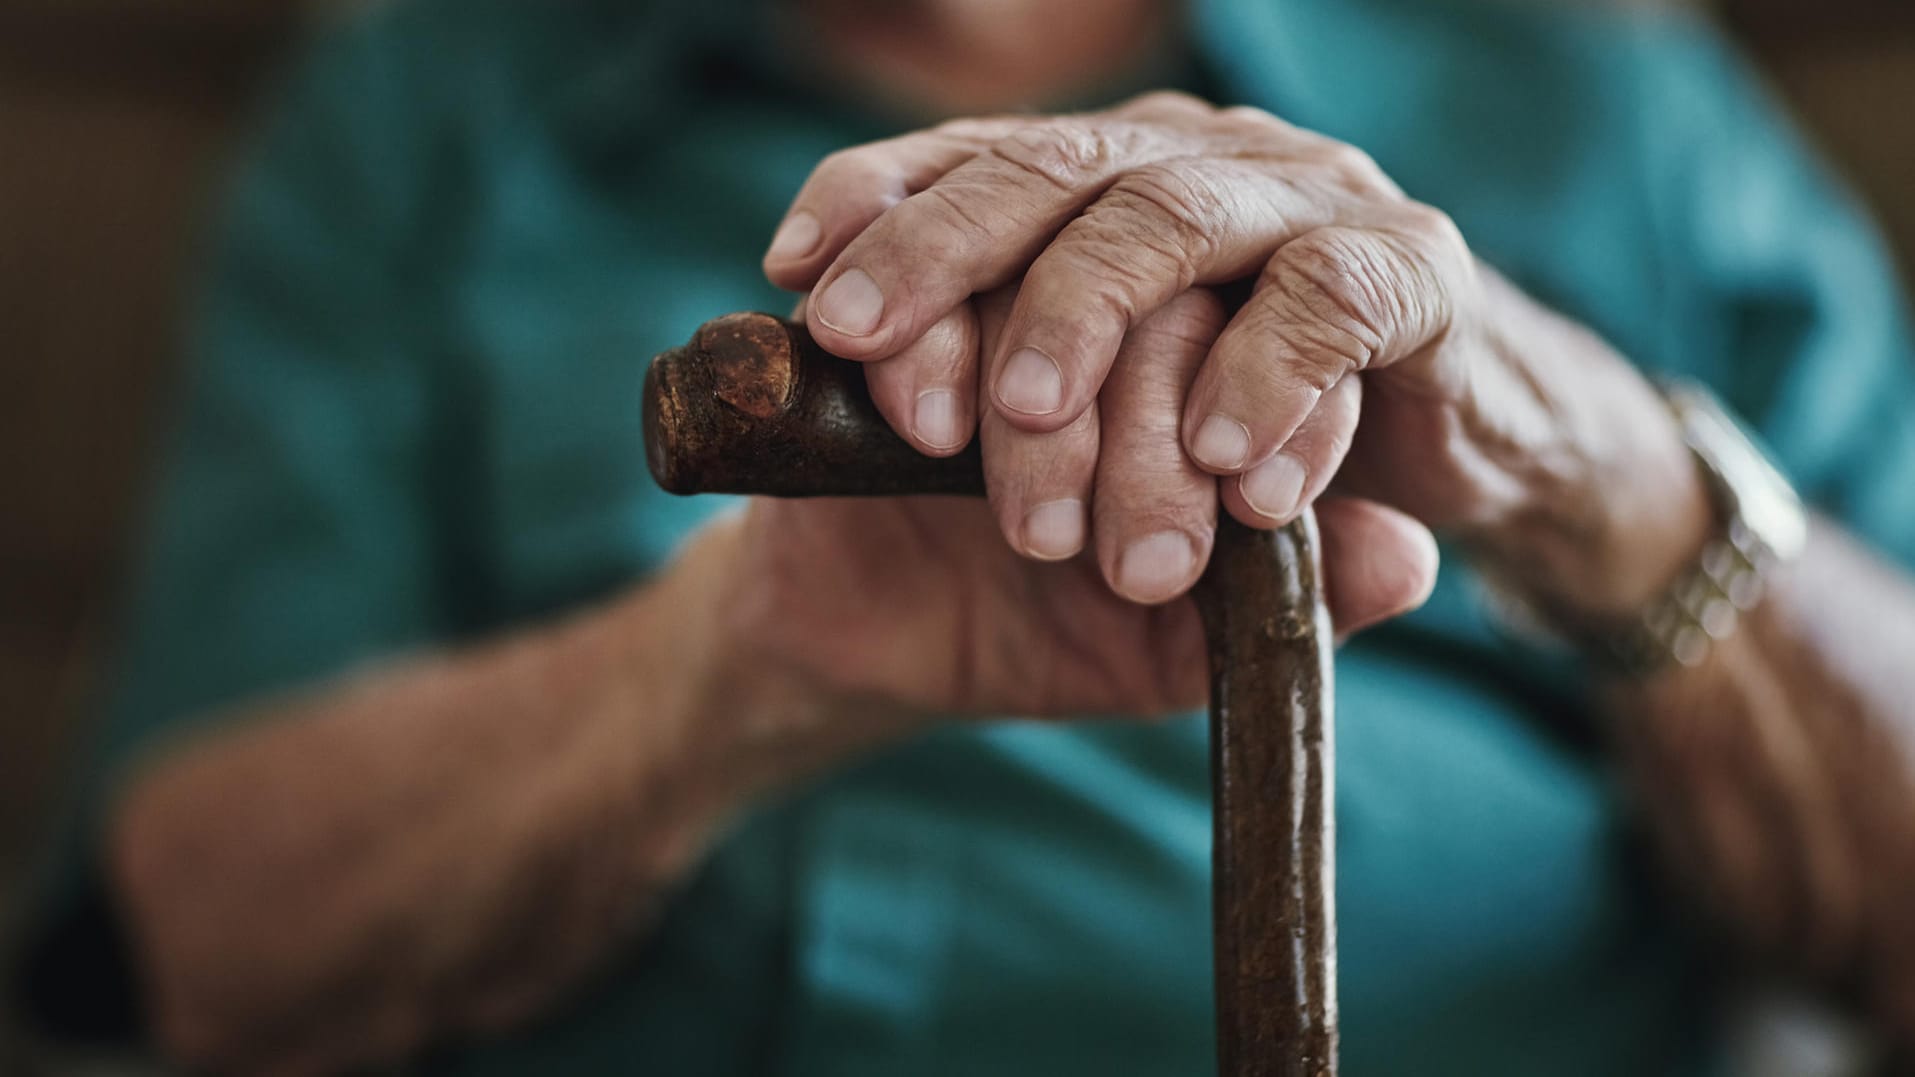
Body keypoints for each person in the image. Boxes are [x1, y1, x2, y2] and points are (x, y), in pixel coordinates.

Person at [14, 0, 1915, 1073]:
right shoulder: (426, 104)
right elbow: (203, 938)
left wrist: (1599, 471)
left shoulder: (1601, 100)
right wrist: (718, 669)